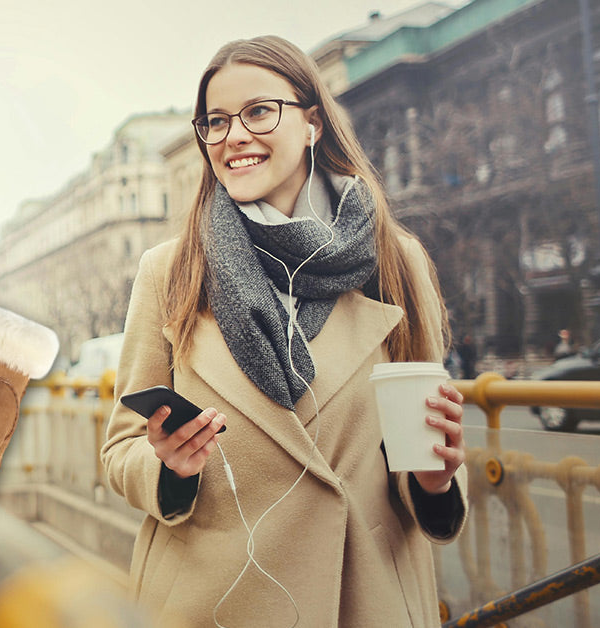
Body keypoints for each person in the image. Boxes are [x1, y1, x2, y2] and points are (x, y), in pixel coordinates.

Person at [101, 36, 468, 627]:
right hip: (213, 599)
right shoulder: (171, 270)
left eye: (258, 112)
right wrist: (167, 468)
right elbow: (121, 450)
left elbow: (422, 430)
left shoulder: (395, 260)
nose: (234, 137)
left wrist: (433, 479)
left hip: (364, 595)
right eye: (215, 122)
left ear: (312, 124)